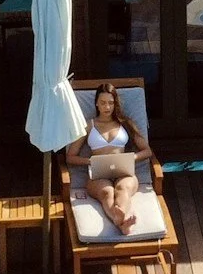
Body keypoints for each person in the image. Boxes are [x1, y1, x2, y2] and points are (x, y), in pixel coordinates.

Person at [64, 82, 150, 233]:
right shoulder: (88, 126)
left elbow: (147, 151)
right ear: (96, 103)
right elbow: (70, 157)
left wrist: (131, 158)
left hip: (123, 171)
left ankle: (120, 220)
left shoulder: (125, 124)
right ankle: (123, 222)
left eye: (111, 103)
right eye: (103, 103)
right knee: (108, 192)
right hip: (98, 175)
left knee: (123, 188)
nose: (107, 107)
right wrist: (90, 162)